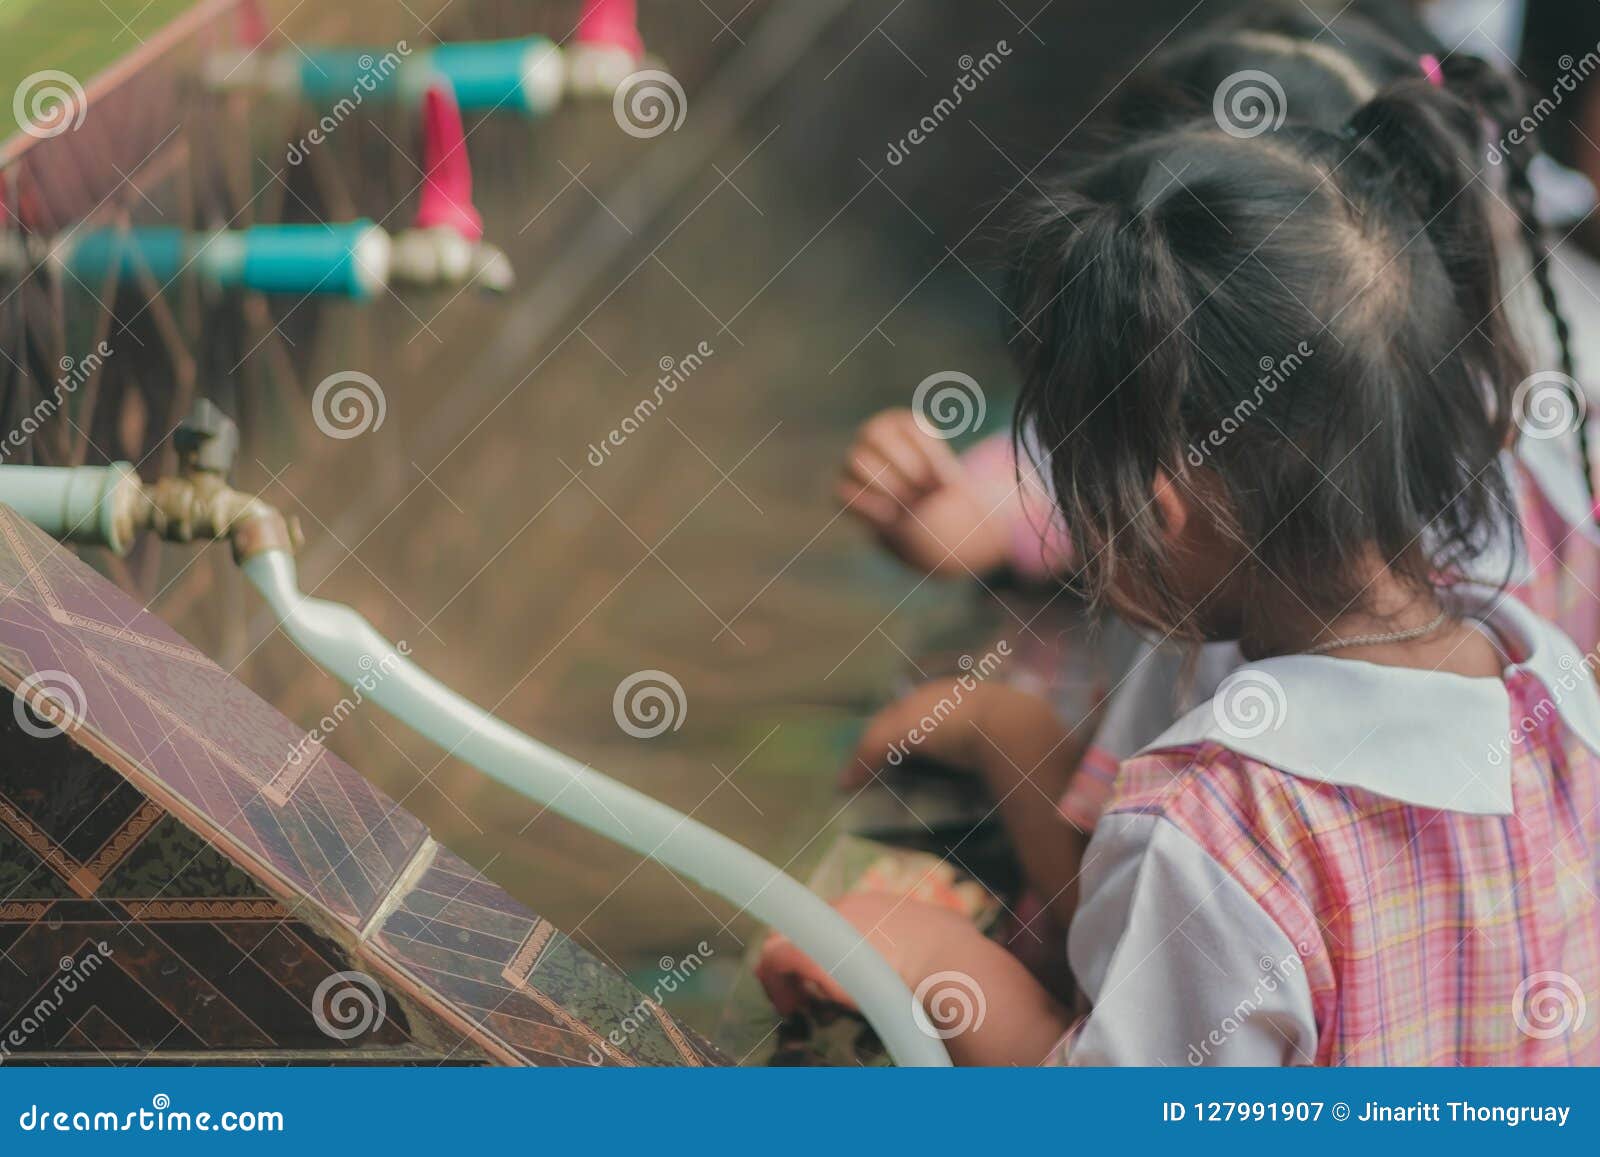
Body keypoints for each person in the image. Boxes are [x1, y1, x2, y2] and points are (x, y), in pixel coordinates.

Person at [765, 77, 1600, 1066]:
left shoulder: (1217, 827)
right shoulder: (1551, 684)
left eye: (1074, 482)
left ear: (1156, 513)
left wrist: (924, 958)